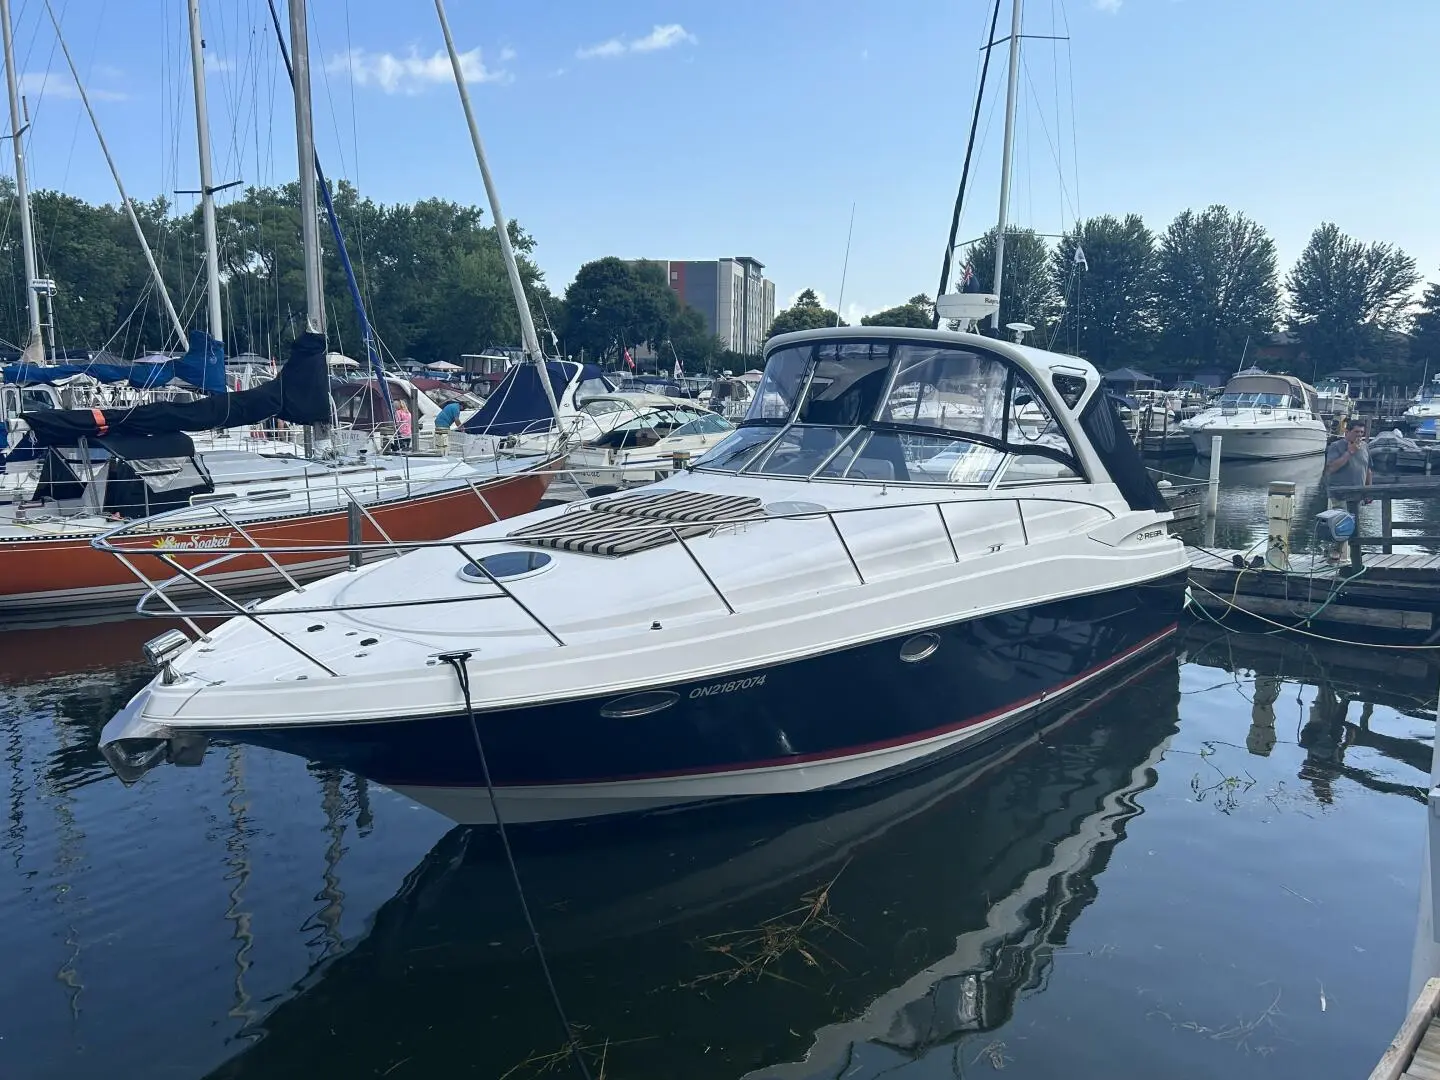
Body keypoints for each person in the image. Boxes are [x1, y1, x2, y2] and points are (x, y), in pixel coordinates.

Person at [1322, 419, 1370, 561]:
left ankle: (1345, 555)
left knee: (1353, 524)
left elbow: (1368, 469)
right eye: (1356, 432)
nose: (1359, 435)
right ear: (1347, 432)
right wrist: (1349, 452)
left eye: (1362, 432)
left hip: (1358, 494)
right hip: (1339, 493)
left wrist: (1368, 491)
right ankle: (1335, 551)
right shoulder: (1336, 446)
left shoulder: (1365, 447)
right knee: (1343, 522)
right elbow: (1331, 468)